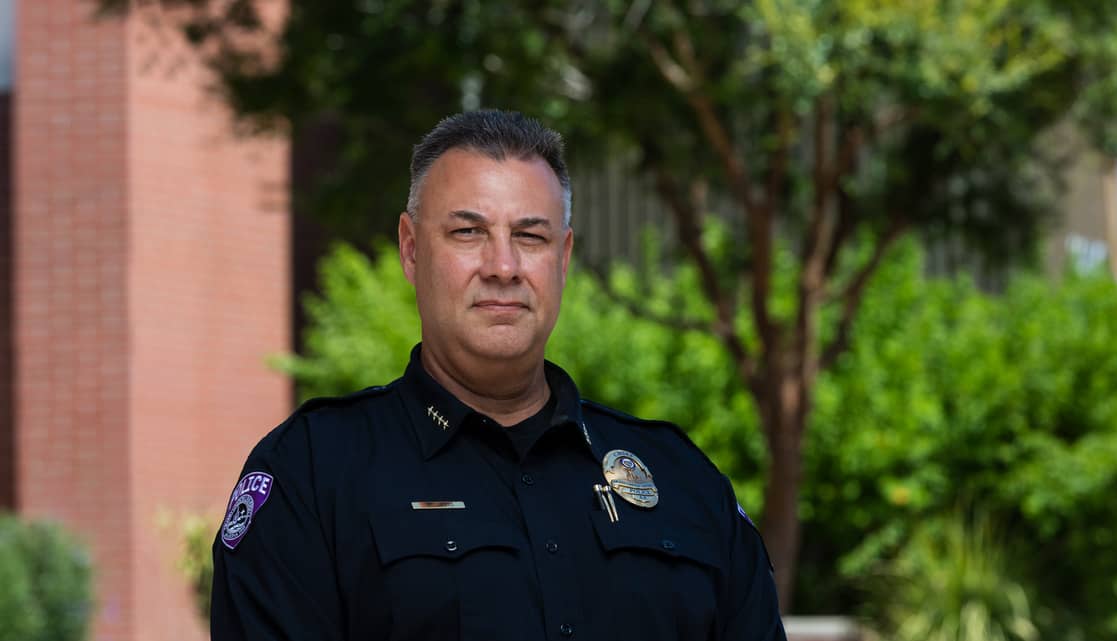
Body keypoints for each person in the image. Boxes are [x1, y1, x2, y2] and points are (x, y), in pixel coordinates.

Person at [210, 109, 786, 641]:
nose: (503, 267)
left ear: (562, 260)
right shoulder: (311, 477)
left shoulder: (683, 481)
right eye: (468, 232)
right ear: (411, 250)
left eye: (530, 237)